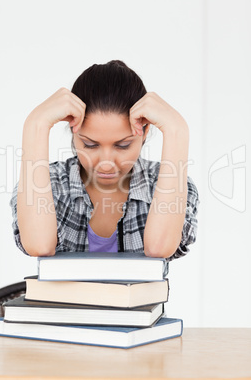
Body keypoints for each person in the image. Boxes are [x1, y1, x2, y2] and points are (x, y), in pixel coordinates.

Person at [10, 60, 199, 275]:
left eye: (123, 145)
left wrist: (177, 130)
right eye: (90, 144)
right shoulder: (50, 183)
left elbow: (159, 249)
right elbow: (38, 245)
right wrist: (36, 123)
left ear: (144, 133)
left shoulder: (164, 183)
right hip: (64, 310)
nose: (107, 162)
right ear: (74, 131)